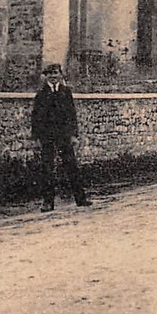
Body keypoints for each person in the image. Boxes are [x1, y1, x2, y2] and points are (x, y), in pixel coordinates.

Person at [31, 62, 92, 212]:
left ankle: (80, 199)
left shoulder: (66, 92)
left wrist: (73, 135)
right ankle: (48, 202)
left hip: (64, 135)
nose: (53, 76)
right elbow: (36, 117)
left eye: (56, 73)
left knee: (71, 166)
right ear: (46, 77)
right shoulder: (41, 94)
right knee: (47, 168)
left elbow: (72, 115)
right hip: (47, 136)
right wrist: (37, 137)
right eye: (50, 74)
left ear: (60, 75)